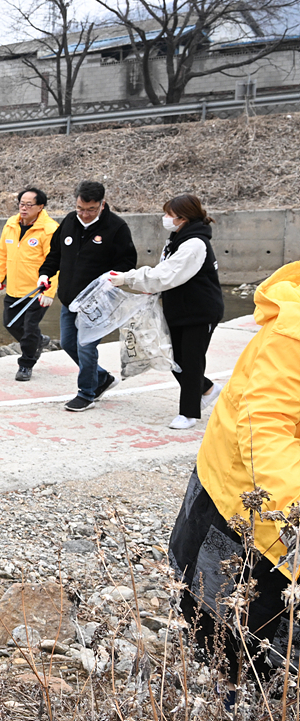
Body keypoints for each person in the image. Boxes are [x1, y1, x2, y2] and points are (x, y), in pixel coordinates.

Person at [167, 260, 300, 687]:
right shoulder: (291, 331)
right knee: (234, 643)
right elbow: (265, 429)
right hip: (245, 503)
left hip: (274, 505)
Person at [108, 194, 223, 429]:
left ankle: (189, 413)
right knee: (175, 359)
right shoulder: (177, 239)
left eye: (168, 215)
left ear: (182, 218)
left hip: (199, 311)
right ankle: (208, 389)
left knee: (190, 361)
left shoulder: (194, 244)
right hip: (180, 309)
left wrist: (127, 278)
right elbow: (165, 273)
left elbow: (166, 275)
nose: (165, 218)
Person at [38, 180, 137, 412]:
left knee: (85, 346)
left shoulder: (116, 227)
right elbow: (55, 254)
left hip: (97, 302)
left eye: (91, 209)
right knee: (68, 343)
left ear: (102, 205)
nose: (84, 214)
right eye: (80, 208)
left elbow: (126, 263)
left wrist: (111, 280)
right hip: (69, 298)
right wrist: (45, 275)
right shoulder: (70, 221)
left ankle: (86, 393)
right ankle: (101, 378)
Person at [0, 188, 58, 381]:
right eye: (21, 203)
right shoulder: (11, 224)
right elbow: (2, 253)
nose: (24, 208)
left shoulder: (49, 229)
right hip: (14, 287)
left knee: (29, 329)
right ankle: (39, 340)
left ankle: (26, 364)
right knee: (9, 323)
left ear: (40, 207)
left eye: (29, 205)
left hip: (37, 290)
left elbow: (55, 262)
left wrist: (49, 292)